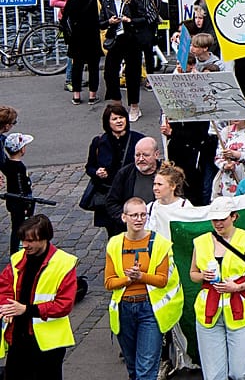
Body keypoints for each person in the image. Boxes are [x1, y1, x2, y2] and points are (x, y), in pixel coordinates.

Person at [105, 197, 183, 380]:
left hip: (150, 310)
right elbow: (109, 282)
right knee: (133, 368)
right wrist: (127, 279)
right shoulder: (115, 243)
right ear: (124, 218)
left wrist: (141, 277)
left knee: (146, 369)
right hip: (124, 309)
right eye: (134, 215)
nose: (139, 219)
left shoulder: (160, 244)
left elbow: (163, 280)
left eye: (142, 215)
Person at [188, 198, 245, 380]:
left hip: (240, 309)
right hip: (208, 312)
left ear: (234, 217)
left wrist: (237, 287)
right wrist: (203, 276)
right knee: (214, 375)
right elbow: (192, 274)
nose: (218, 223)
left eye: (222, 218)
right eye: (215, 219)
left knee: (241, 372)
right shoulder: (201, 241)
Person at [0, 215, 79, 380]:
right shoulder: (18, 259)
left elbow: (64, 305)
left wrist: (26, 310)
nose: (24, 245)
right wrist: (6, 307)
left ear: (44, 239)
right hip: (18, 337)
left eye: (30, 241)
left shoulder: (64, 263)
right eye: (23, 240)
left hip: (48, 345)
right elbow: (5, 286)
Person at [100, 0, 153, 121]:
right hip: (115, 39)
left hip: (132, 39)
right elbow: (101, 22)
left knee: (132, 74)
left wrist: (129, 20)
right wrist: (109, 21)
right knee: (109, 73)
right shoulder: (107, 2)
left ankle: (134, 106)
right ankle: (117, 104)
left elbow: (144, 19)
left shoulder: (133, 1)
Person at [86, 103, 145, 231]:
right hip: (110, 194)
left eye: (121, 117)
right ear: (108, 122)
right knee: (113, 232)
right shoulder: (99, 142)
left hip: (131, 192)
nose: (119, 121)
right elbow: (89, 167)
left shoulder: (138, 139)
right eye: (114, 119)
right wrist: (97, 172)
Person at [61, 0, 102, 104]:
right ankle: (92, 96)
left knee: (77, 67)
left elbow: (64, 20)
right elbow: (99, 18)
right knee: (93, 68)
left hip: (76, 38)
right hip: (92, 37)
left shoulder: (71, 1)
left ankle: (76, 96)